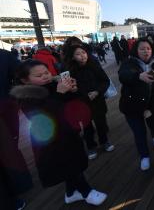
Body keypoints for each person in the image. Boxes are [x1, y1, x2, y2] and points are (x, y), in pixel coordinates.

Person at [10, 60, 107, 206]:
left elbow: (77, 102)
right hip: (50, 140)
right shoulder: (25, 98)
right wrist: (60, 93)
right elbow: (46, 114)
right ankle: (86, 192)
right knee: (70, 166)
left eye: (46, 72)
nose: (45, 76)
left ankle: (70, 193)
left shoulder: (53, 86)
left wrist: (74, 91)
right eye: (39, 75)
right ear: (25, 80)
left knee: (71, 164)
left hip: (67, 132)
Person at [118, 38, 154, 171]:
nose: (146, 51)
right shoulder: (129, 62)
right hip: (132, 105)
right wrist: (138, 76)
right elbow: (123, 75)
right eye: (142, 48)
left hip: (151, 103)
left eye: (148, 48)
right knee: (139, 132)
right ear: (136, 50)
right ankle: (144, 156)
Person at [65, 45, 115, 160]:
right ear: (72, 57)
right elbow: (70, 88)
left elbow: (105, 81)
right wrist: (77, 92)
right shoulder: (69, 71)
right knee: (87, 126)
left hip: (97, 100)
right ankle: (91, 146)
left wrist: (97, 91)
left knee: (101, 123)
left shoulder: (95, 66)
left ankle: (104, 141)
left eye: (83, 52)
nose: (82, 56)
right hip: (82, 103)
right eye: (78, 54)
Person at [0, 49, 31, 210]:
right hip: (4, 108)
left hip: (5, 107)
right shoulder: (4, 55)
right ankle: (15, 191)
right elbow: (22, 72)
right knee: (9, 151)